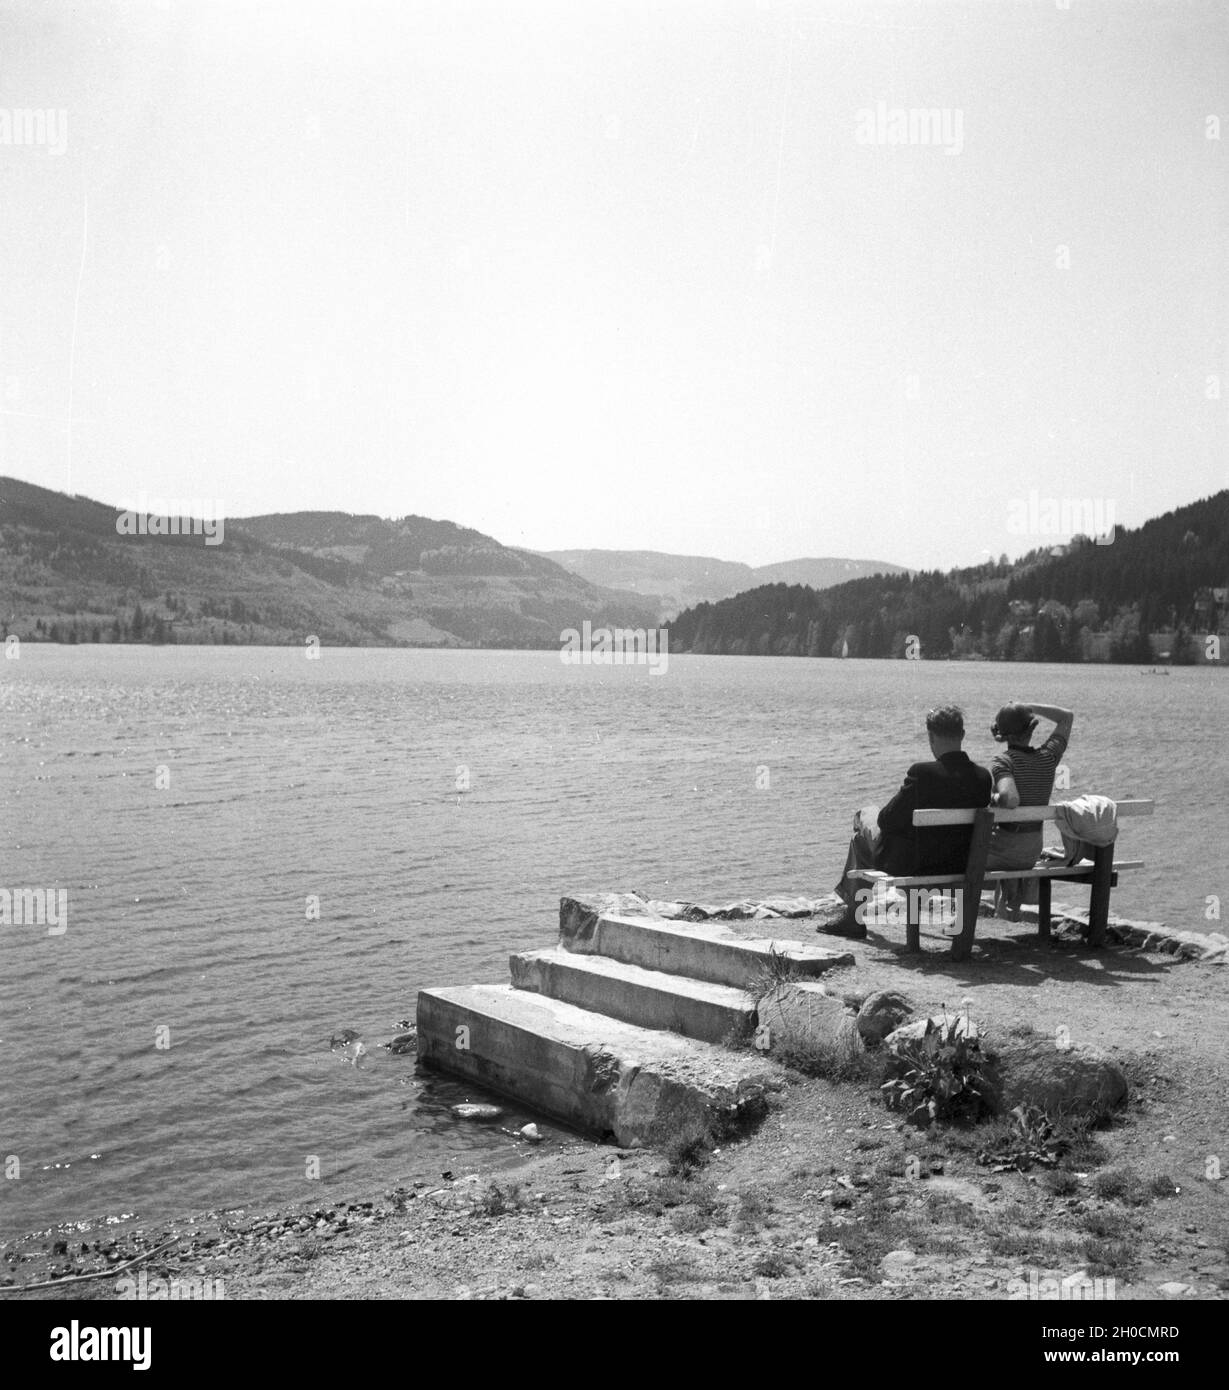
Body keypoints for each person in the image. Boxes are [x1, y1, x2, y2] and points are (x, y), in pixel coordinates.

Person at [826, 705, 993, 938]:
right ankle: (853, 917)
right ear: (962, 735)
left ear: (931, 736)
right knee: (863, 835)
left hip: (915, 865)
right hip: (961, 864)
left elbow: (886, 819)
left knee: (865, 819)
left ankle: (854, 917)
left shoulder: (922, 773)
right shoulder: (983, 777)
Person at [984, 700, 1074, 917]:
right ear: (1031, 728)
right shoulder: (1049, 757)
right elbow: (1067, 716)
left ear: (1001, 733)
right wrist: (1028, 707)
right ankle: (1008, 903)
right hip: (1031, 851)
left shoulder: (1003, 761)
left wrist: (993, 797)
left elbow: (1010, 798)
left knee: (969, 847)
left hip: (1002, 853)